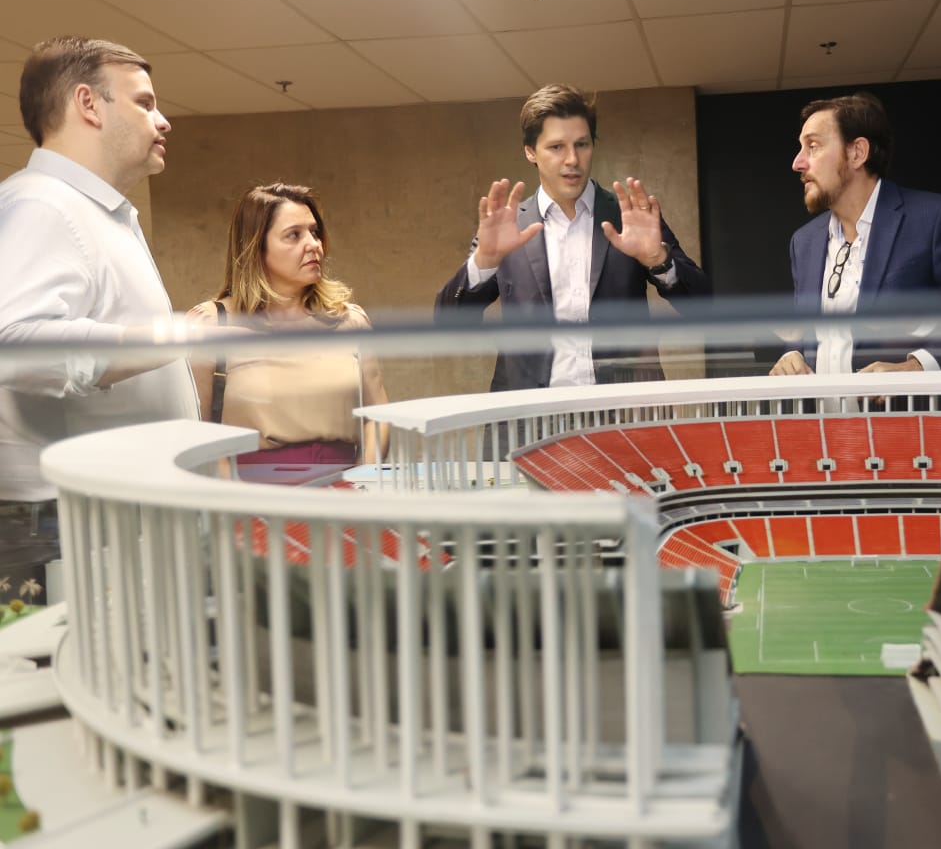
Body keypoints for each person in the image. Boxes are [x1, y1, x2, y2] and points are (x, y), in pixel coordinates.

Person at [0, 37, 198, 580]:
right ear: (88, 104)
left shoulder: (91, 211)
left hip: (101, 514)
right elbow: (14, 344)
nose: (163, 120)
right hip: (65, 524)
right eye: (144, 102)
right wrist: (175, 336)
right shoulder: (43, 204)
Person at [434, 83, 710, 391]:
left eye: (582, 144)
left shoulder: (629, 216)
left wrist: (659, 261)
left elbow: (705, 308)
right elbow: (446, 324)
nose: (572, 160)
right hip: (529, 413)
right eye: (556, 147)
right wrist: (483, 263)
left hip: (621, 409)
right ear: (530, 152)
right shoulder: (508, 226)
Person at [770, 92, 941, 376]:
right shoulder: (804, 242)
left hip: (906, 406)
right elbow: (805, 333)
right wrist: (791, 354)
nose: (797, 163)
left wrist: (915, 368)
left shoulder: (936, 219)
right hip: (823, 408)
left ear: (857, 153)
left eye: (813, 146)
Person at [187, 183, 388, 474]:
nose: (314, 244)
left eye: (314, 232)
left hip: (344, 488)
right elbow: (198, 431)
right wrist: (233, 497)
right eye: (294, 235)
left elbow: (377, 418)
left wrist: (362, 479)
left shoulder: (349, 321)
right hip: (251, 492)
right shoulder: (211, 325)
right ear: (256, 248)